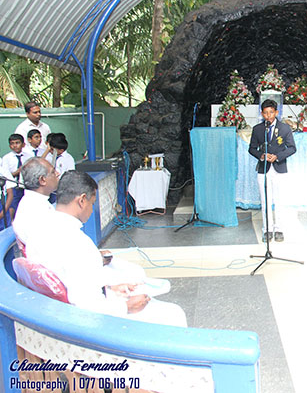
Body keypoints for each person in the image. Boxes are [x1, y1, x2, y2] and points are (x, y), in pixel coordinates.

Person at [25, 171, 186, 326]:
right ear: (82, 200)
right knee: (173, 313)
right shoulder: (77, 243)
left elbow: (72, 282)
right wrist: (128, 306)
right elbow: (85, 304)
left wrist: (109, 289)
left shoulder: (38, 228)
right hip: (83, 323)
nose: (91, 209)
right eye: (92, 203)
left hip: (52, 314)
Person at [248, 99, 296, 242]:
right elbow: (251, 148)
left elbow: (292, 148)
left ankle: (279, 229)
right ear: (262, 114)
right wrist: (261, 155)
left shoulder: (285, 128)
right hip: (264, 169)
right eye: (265, 113)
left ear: (276, 112)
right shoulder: (257, 129)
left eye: (271, 112)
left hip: (279, 168)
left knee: (279, 200)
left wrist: (277, 157)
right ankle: (267, 229)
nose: (268, 116)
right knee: (265, 200)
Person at [12, 157, 59, 248]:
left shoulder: (35, 202)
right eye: (53, 172)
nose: (58, 174)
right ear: (42, 180)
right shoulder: (35, 209)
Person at [2, 134, 33, 217]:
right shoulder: (6, 158)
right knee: (13, 208)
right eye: (12, 143)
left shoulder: (29, 157)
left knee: (27, 209)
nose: (15, 145)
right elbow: (5, 176)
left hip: (26, 187)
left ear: (23, 144)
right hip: (14, 187)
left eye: (17, 143)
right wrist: (17, 172)